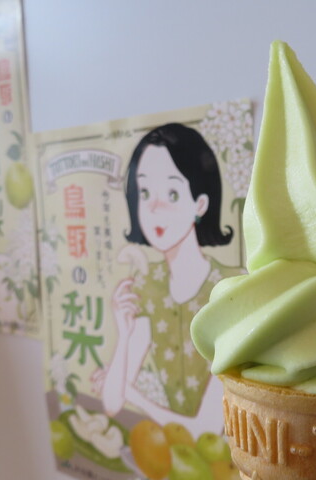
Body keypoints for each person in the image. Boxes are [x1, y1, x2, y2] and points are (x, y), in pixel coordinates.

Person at [92, 123, 242, 435]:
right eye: (145, 192)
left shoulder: (230, 287)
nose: (155, 208)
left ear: (200, 204)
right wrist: (124, 333)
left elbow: (206, 430)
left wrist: (133, 394)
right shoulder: (148, 286)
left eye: (172, 193)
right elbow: (111, 403)